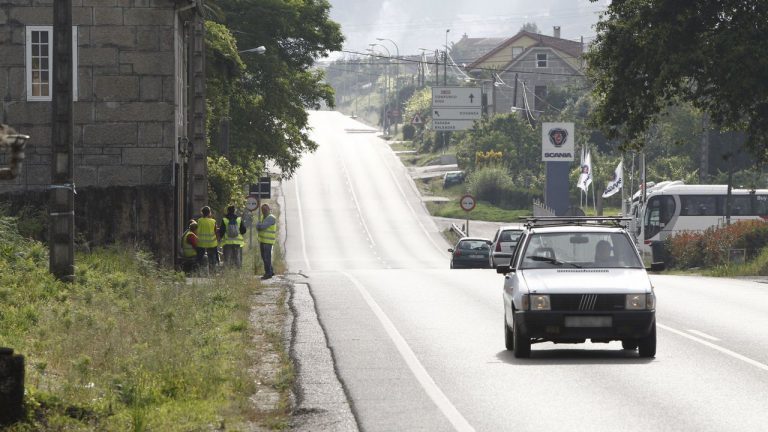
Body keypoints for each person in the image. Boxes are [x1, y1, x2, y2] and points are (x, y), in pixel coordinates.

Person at [255, 203, 277, 280]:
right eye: (262, 209)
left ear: (268, 209)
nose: (263, 211)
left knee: (267, 257)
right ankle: (271, 271)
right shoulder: (262, 217)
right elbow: (257, 226)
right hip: (262, 240)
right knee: (264, 257)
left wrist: (259, 225)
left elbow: (262, 226)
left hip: (268, 241)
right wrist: (259, 225)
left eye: (265, 209)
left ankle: (268, 274)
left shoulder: (271, 218)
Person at [196, 206, 220, 271]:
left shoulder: (199, 221)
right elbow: (216, 232)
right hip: (212, 243)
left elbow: (197, 230)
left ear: (202, 213)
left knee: (199, 258)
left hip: (201, 243)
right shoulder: (213, 221)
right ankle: (212, 271)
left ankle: (198, 271)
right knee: (212, 257)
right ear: (209, 213)